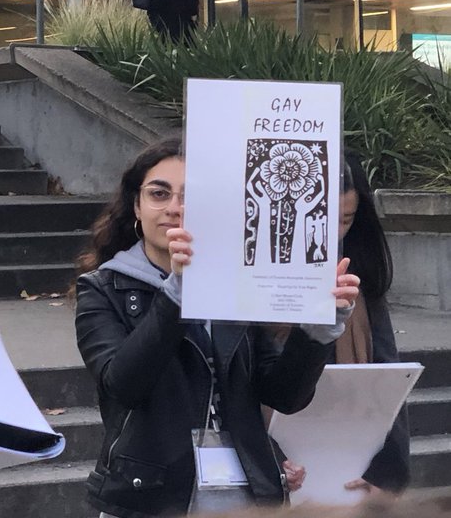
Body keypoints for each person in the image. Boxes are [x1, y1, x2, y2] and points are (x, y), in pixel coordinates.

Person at [74, 138, 360, 517]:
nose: (175, 209)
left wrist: (321, 324)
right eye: (159, 194)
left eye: (192, 198)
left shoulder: (235, 287)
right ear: (136, 208)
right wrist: (179, 291)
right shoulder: (102, 288)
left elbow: (285, 394)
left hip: (243, 494)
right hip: (150, 498)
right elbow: (123, 384)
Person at [321, 155, 409, 495]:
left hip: (352, 450)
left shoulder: (362, 280)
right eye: (325, 219)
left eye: (345, 220)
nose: (334, 232)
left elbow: (388, 373)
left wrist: (387, 472)